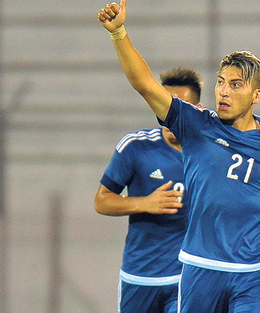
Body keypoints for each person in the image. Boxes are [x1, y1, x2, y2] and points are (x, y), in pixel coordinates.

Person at [98, 1, 260, 312]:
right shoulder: (195, 126)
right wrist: (118, 32)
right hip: (201, 268)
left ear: (257, 95)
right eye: (221, 82)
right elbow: (144, 85)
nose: (224, 92)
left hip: (255, 270)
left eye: (236, 85)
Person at [94, 66, 203, 313]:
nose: (168, 115)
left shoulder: (210, 153)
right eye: (162, 106)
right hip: (139, 277)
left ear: (197, 110)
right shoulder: (136, 148)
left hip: (185, 280)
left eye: (176, 108)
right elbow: (102, 201)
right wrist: (144, 203)